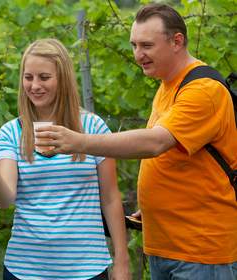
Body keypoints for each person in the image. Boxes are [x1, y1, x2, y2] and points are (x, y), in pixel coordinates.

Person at [39, 4, 237, 280]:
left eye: (146, 45)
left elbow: (155, 143)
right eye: (133, 45)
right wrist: (156, 205)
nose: (137, 55)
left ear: (177, 41)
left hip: (199, 250)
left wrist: (79, 141)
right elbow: (178, 156)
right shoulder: (168, 85)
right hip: (166, 244)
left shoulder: (203, 90)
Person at [0, 38, 130, 280]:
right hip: (25, 270)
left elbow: (110, 199)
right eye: (28, 77)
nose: (34, 86)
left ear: (63, 80)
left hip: (86, 269)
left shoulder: (92, 127)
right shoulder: (11, 132)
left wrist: (121, 260)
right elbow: (5, 199)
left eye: (44, 78)